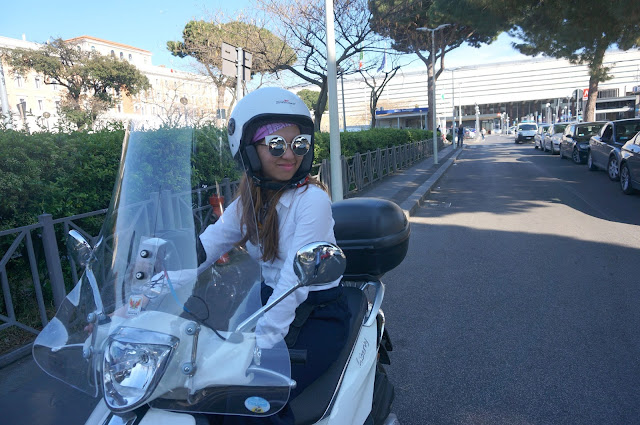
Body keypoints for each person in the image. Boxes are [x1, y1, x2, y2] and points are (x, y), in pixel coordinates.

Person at [200, 87, 351, 425]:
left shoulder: (312, 200)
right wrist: (154, 279)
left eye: (299, 145)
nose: (290, 155)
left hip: (316, 314)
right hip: (265, 304)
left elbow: (294, 280)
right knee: (204, 389)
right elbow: (209, 245)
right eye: (277, 145)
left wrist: (261, 346)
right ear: (249, 151)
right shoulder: (249, 201)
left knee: (255, 405)